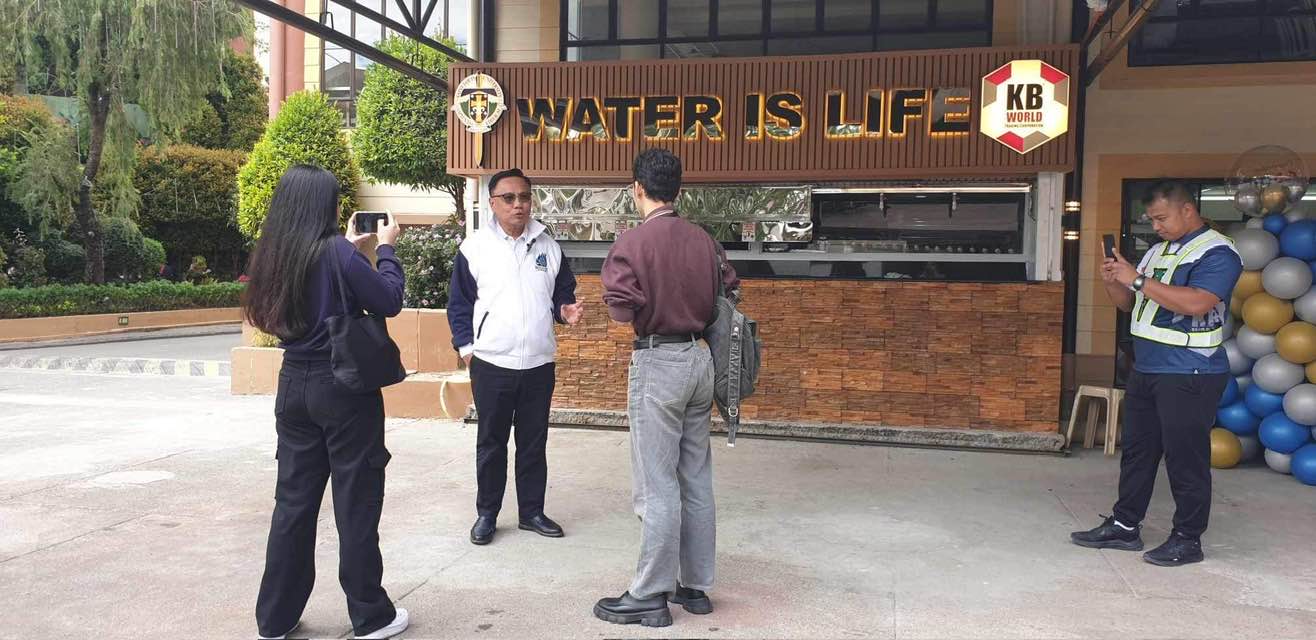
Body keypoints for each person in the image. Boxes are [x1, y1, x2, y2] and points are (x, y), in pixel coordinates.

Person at [244, 165, 410, 639]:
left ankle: (275, 618)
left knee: (293, 504)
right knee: (356, 501)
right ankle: (370, 615)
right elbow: (389, 299)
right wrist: (386, 249)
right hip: (343, 388)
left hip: (292, 383)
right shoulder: (337, 252)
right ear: (325, 206)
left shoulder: (274, 254)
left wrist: (353, 256)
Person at [594, 149, 739, 627]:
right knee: (695, 476)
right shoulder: (704, 241)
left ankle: (650, 595)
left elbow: (619, 308)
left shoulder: (631, 243)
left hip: (659, 361)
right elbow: (728, 291)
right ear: (679, 189)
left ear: (637, 188)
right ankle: (694, 587)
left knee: (656, 485)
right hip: (701, 359)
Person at [1071, 181, 1243, 567]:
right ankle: (1125, 525)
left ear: (1187, 210)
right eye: (1152, 219)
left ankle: (1187, 538)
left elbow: (1199, 302)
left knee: (1186, 458)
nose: (1157, 225)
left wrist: (1135, 279)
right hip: (1147, 367)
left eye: (1162, 218)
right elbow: (1129, 305)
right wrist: (1114, 280)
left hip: (1190, 369)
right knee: (1137, 453)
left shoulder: (1217, 251)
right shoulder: (1156, 251)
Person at [447, 168, 583, 546]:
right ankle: (487, 514)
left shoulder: (547, 247)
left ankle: (532, 512)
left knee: (533, 442)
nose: (519, 204)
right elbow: (459, 305)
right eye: (509, 198)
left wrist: (564, 312)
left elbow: (562, 294)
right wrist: (468, 349)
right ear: (493, 203)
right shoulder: (474, 248)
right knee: (491, 443)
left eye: (524, 197)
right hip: (491, 363)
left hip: (538, 364)